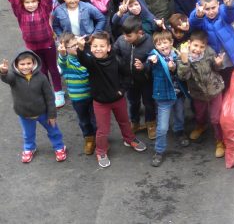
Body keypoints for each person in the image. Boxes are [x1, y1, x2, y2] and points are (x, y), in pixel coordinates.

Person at [70, 31, 148, 168]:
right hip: (100, 103)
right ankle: (101, 151)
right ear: (90, 47)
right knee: (103, 129)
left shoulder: (117, 60)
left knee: (124, 122)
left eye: (101, 46)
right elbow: (83, 59)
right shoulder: (91, 61)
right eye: (94, 46)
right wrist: (80, 49)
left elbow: (127, 76)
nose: (98, 49)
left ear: (109, 47)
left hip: (118, 99)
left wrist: (122, 90)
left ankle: (129, 139)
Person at [0, 51, 67, 163]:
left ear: (34, 63)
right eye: (22, 64)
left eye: (28, 63)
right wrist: (3, 72)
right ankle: (29, 148)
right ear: (16, 65)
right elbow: (7, 78)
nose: (25, 66)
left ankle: (59, 147)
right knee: (28, 134)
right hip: (24, 114)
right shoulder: (14, 78)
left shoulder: (41, 78)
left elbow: (49, 97)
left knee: (53, 131)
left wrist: (52, 114)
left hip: (43, 113)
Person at [177, 31, 226, 158]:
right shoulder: (183, 55)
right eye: (195, 46)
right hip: (198, 92)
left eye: (201, 46)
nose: (198, 49)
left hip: (214, 89)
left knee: (216, 118)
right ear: (189, 44)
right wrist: (184, 60)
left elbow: (216, 68)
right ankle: (201, 126)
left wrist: (218, 63)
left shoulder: (209, 52)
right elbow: (183, 76)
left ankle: (219, 140)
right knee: (200, 114)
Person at [146, 31, 190, 167]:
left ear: (171, 43)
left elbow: (183, 72)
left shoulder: (176, 54)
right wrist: (151, 62)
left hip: (178, 94)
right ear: (155, 46)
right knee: (162, 127)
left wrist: (174, 68)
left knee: (180, 116)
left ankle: (179, 132)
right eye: (159, 44)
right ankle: (159, 151)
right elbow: (148, 64)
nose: (162, 46)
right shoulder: (155, 56)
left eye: (165, 42)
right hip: (163, 96)